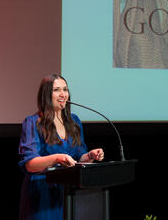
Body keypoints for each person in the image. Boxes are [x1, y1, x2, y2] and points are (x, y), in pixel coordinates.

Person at [18, 74, 104, 220]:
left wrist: (90, 156)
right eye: (57, 90)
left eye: (65, 89)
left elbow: (78, 157)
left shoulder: (74, 122)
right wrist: (57, 158)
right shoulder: (33, 123)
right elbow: (30, 165)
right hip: (43, 193)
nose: (63, 94)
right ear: (46, 95)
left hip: (69, 191)